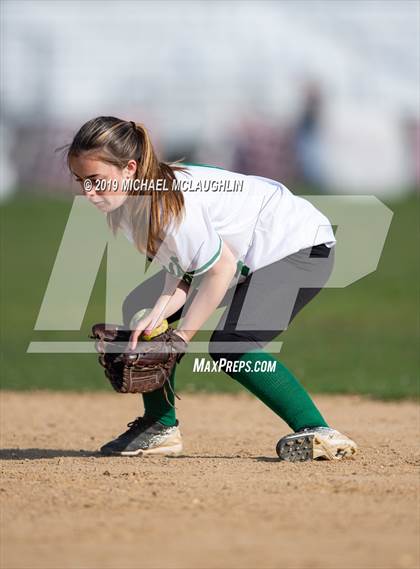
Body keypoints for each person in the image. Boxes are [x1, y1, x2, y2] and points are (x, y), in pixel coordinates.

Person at [66, 116, 358, 462]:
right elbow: (182, 271)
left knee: (231, 344)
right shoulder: (133, 203)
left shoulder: (169, 201)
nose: (88, 192)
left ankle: (320, 431)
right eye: (81, 181)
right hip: (249, 253)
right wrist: (157, 317)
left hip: (299, 247)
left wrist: (181, 338)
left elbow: (220, 269)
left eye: (96, 180)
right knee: (139, 308)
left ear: (129, 168)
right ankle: (160, 426)